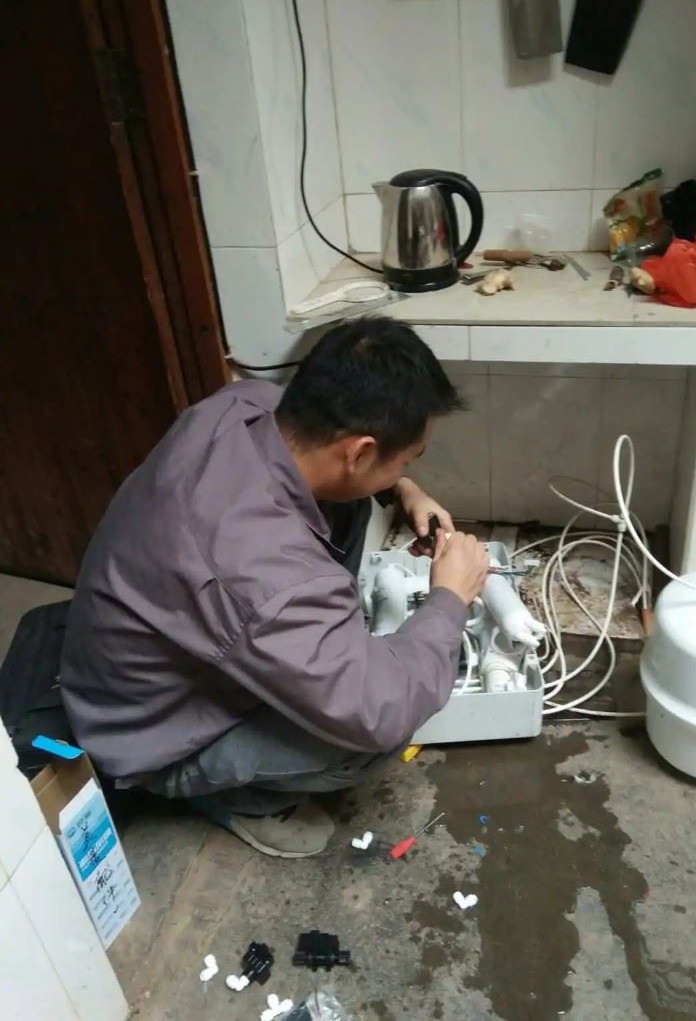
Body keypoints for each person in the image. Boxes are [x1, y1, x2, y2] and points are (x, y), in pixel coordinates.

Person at [60, 318, 488, 857]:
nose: (407, 468)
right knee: (374, 738)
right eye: (406, 459)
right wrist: (450, 598)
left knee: (347, 505)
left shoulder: (243, 406)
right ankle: (236, 797)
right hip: (148, 734)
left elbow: (331, 488)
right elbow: (381, 710)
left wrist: (400, 487)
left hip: (132, 658)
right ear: (359, 452)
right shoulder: (268, 578)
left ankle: (308, 659)